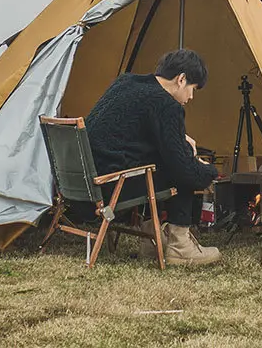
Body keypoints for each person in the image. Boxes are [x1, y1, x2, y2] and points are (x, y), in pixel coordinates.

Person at [85, 49, 220, 265]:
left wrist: (181, 139)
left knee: (165, 159)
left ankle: (152, 240)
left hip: (85, 182)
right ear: (181, 79)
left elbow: (133, 131)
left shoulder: (126, 82)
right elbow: (183, 169)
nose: (191, 97)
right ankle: (180, 247)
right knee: (184, 169)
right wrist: (210, 171)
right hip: (110, 187)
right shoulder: (165, 104)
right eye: (192, 89)